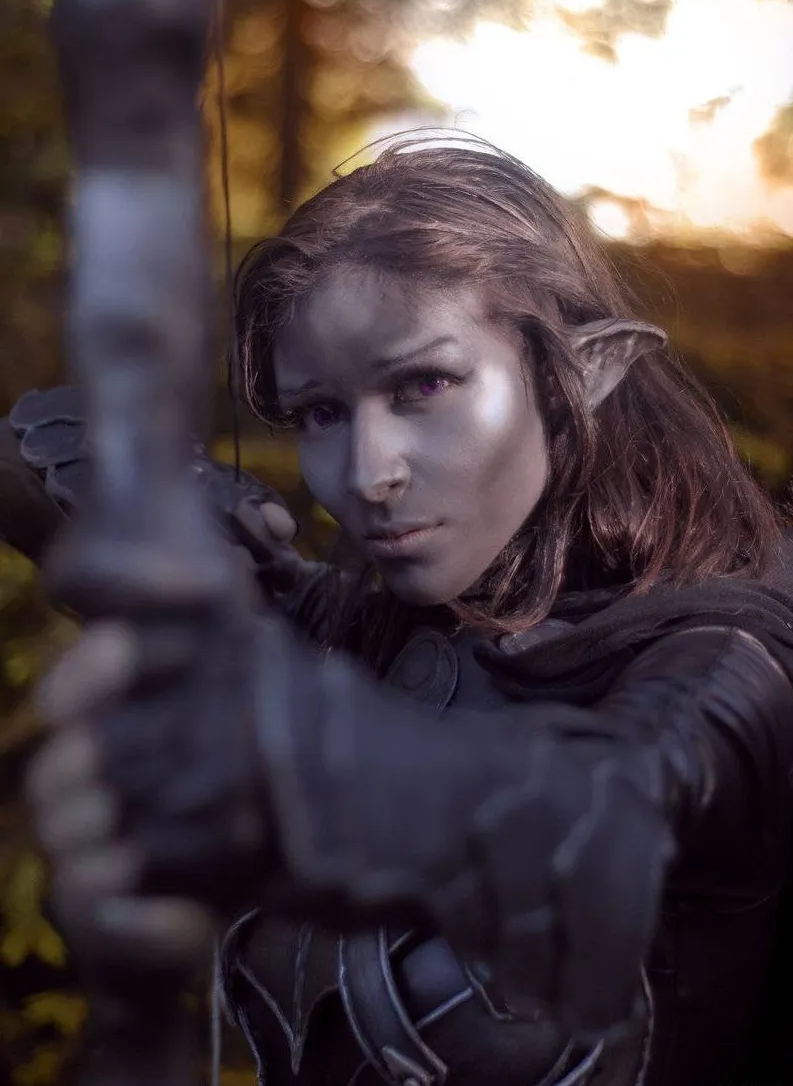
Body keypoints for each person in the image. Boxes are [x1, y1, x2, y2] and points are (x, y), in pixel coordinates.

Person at [12, 136, 793, 1086]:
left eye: (423, 385)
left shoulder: (721, 670)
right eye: (319, 411)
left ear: (584, 373)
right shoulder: (374, 628)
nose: (366, 474)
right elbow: (30, 461)